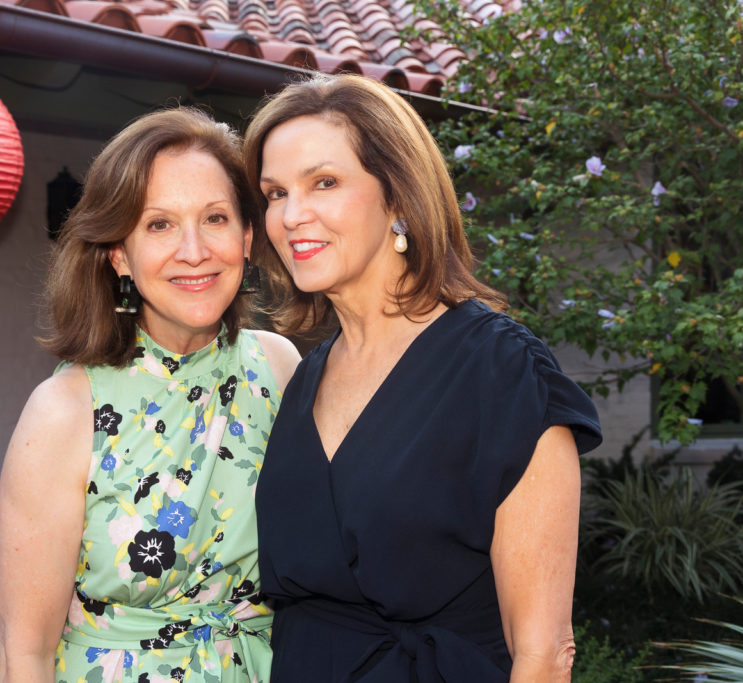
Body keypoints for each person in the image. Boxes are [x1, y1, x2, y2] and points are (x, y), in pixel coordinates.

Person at [242, 74, 602, 682]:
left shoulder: (503, 372)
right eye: (275, 193)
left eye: (324, 183)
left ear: (400, 197)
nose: (291, 215)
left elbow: (542, 653)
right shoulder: (304, 379)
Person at [0, 108, 300, 683]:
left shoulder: (279, 366)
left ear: (247, 235)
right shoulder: (64, 411)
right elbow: (24, 653)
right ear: (118, 254)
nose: (194, 250)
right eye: (159, 224)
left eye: (215, 218)